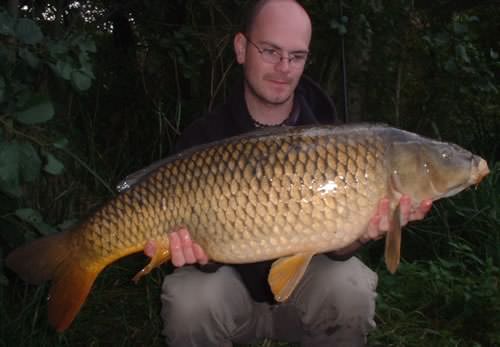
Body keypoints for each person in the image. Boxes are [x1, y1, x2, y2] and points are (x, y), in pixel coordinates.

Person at [134, 1, 432, 346]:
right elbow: (200, 256)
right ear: (241, 48)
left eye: (297, 55)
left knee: (350, 287)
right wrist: (199, 258)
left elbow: (335, 250)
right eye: (271, 50)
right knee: (189, 300)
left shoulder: (332, 136)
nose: (284, 67)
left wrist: (364, 233)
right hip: (230, 302)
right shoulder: (204, 138)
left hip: (301, 300)